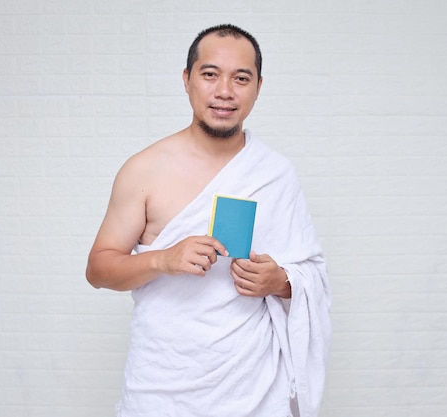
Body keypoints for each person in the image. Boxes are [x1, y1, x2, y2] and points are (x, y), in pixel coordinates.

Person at [86, 24, 331, 417]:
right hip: (162, 384)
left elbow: (312, 274)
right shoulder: (143, 171)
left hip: (253, 387)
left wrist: (281, 282)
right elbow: (98, 268)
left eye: (241, 78)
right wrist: (161, 259)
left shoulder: (275, 172)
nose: (225, 91)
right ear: (187, 80)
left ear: (258, 86)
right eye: (210, 74)